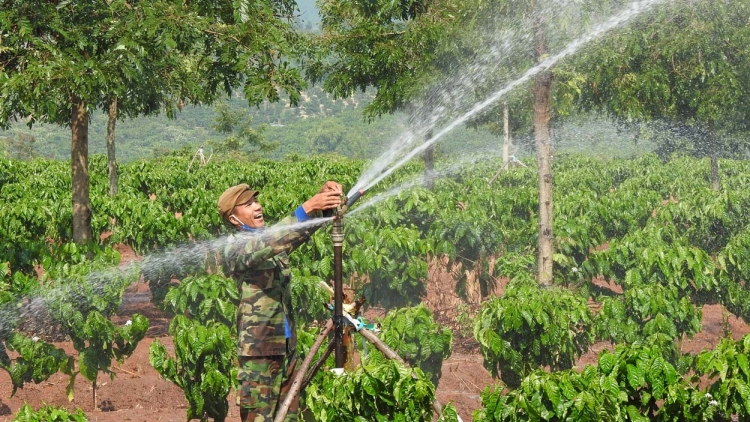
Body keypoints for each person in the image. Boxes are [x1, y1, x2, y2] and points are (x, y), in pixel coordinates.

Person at [217, 181, 342, 422]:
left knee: (289, 416)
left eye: (256, 201)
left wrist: (323, 207)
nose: (257, 206)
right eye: (248, 204)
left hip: (285, 347)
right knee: (260, 416)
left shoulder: (272, 243)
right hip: (260, 352)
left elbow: (291, 236)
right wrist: (307, 207)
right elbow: (273, 240)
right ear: (234, 219)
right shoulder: (234, 247)